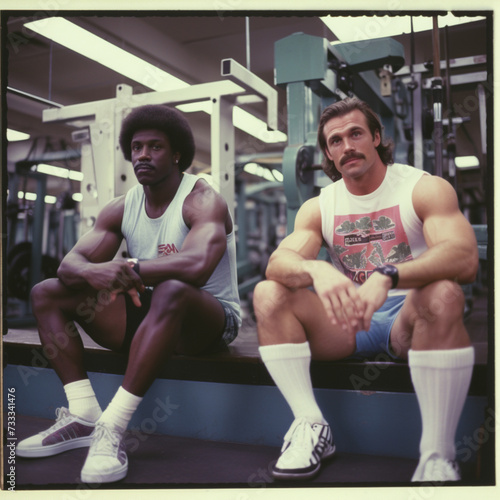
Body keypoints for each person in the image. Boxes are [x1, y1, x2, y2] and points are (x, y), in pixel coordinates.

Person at [253, 97, 478, 482]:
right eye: (335, 141)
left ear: (376, 137)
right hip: (351, 320)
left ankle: (437, 455)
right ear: (328, 152)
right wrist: (315, 269)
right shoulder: (320, 206)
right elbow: (278, 263)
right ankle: (311, 425)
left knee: (443, 292)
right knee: (267, 294)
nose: (347, 146)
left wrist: (388, 273)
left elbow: (464, 259)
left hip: (409, 315)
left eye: (355, 134)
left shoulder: (422, 188)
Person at [16, 104, 241, 483]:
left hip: (209, 321)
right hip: (150, 313)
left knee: (173, 289)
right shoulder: (123, 206)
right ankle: (84, 415)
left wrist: (128, 269)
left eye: (155, 147)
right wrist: (95, 272)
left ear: (176, 154)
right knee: (47, 293)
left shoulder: (202, 199)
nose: (142, 155)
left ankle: (112, 427)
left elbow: (197, 266)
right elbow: (69, 266)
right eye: (136, 147)